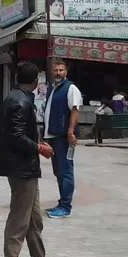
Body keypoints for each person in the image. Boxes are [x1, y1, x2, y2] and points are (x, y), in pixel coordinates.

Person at [0, 61, 66, 257]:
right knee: (19, 220)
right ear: (36, 81)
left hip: (27, 167)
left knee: (34, 221)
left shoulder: (18, 97)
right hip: (21, 168)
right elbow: (15, 135)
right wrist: (39, 148)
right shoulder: (19, 101)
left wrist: (36, 144)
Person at [43, 59, 82, 219]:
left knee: (66, 171)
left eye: (61, 70)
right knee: (58, 171)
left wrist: (70, 132)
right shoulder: (53, 89)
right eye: (55, 70)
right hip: (52, 135)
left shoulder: (71, 88)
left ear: (66, 72)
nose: (58, 73)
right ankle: (61, 203)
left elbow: (75, 110)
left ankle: (66, 206)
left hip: (63, 137)